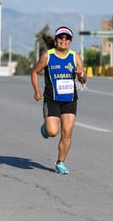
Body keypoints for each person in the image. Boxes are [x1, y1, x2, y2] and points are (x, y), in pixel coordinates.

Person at [31, 26, 87, 175]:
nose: (63, 40)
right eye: (61, 37)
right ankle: (46, 127)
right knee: (52, 131)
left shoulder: (75, 57)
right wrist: (36, 91)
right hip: (52, 99)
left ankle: (60, 162)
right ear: (56, 39)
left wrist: (81, 74)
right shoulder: (47, 56)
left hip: (70, 99)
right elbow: (35, 72)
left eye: (67, 38)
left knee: (67, 132)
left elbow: (83, 80)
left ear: (70, 41)